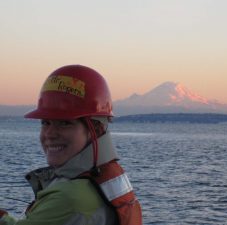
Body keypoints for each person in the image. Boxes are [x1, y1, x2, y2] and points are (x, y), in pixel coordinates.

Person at [0, 65, 142, 225]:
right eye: (46, 123)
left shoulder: (69, 197)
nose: (50, 134)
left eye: (65, 123)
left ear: (95, 128)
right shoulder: (108, 173)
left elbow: (68, 205)